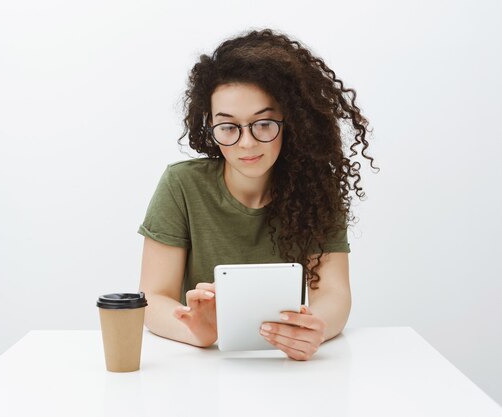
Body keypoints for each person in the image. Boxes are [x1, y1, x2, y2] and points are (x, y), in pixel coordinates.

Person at [138, 28, 378, 361]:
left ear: (290, 121)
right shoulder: (182, 185)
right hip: (203, 369)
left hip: (287, 367)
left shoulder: (316, 191)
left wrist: (314, 330)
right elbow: (153, 296)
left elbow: (335, 295)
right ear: (209, 126)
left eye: (263, 124)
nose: (246, 143)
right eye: (228, 126)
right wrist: (195, 330)